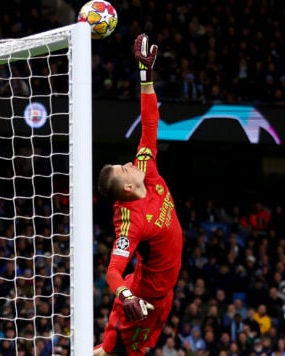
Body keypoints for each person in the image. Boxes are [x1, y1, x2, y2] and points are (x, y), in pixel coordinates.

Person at [94, 33, 184, 355]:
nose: (130, 163)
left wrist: (145, 75)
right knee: (111, 353)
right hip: (143, 300)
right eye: (124, 168)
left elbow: (150, 123)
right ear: (129, 188)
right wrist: (126, 297)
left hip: (160, 293)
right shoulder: (131, 221)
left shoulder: (147, 167)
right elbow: (113, 270)